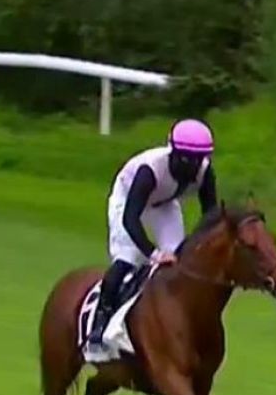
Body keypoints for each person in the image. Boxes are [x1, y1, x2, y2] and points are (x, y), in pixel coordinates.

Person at [88, 119, 219, 346]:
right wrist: (154, 253)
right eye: (187, 159)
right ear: (173, 152)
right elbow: (130, 219)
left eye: (199, 160)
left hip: (165, 202)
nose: (192, 167)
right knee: (128, 258)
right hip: (129, 201)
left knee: (179, 263)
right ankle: (100, 323)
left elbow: (211, 216)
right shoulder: (149, 170)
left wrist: (196, 247)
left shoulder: (205, 172)